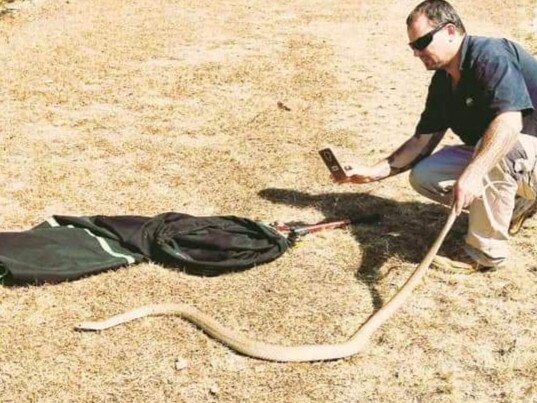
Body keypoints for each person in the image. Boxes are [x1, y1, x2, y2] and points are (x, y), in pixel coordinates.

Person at [335, 0, 537, 271]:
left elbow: (509, 123)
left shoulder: (490, 55)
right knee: (425, 174)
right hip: (522, 162)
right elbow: (421, 141)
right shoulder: (443, 82)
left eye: (422, 43)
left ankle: (485, 254)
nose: (417, 53)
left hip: (523, 152)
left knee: (498, 147)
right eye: (413, 47)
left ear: (451, 31)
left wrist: (474, 173)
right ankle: (515, 205)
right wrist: (371, 172)